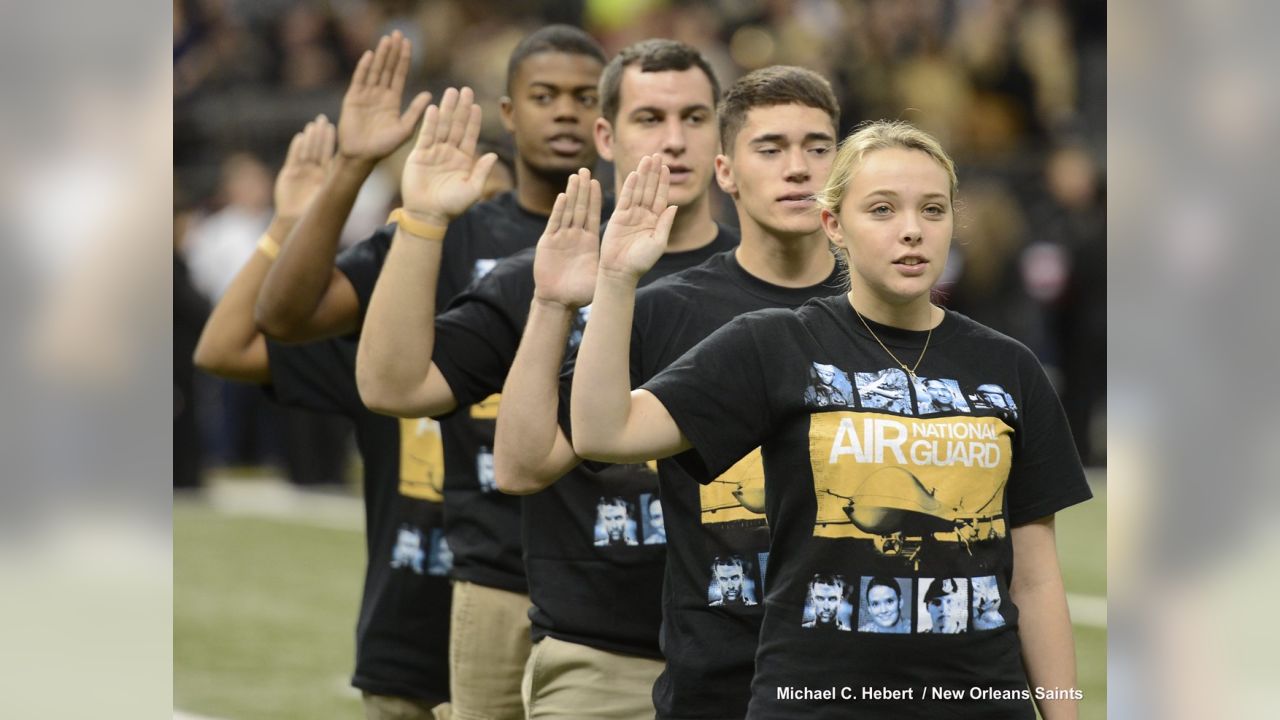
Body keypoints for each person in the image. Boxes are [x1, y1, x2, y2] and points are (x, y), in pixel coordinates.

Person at [570, 120, 1093, 719]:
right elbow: (603, 433)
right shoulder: (774, 344)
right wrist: (615, 280)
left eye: (932, 209)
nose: (912, 231)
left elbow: (1035, 581)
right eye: (881, 209)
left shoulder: (1009, 366)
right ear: (833, 225)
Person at [357, 39, 737, 720]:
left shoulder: (765, 283)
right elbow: (394, 387)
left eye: (695, 117)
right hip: (551, 607)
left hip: (735, 620)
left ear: (721, 135)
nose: (674, 142)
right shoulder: (547, 273)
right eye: (650, 119)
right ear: (606, 135)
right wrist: (423, 218)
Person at [250, 25, 608, 720]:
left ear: (607, 120)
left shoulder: (636, 240)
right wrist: (352, 166)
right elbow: (286, 317)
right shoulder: (455, 227)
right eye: (544, 95)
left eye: (583, 96)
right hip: (466, 573)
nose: (564, 110)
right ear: (508, 113)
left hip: (605, 577)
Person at [496, 64, 843, 719]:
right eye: (770, 148)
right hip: (713, 679)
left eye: (818, 147)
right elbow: (523, 461)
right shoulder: (666, 309)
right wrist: (553, 299)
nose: (798, 168)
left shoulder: (887, 309)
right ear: (726, 172)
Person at [193, 115, 453, 719]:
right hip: (407, 645)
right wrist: (288, 221)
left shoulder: (542, 325)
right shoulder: (383, 340)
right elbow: (223, 348)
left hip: (526, 634)